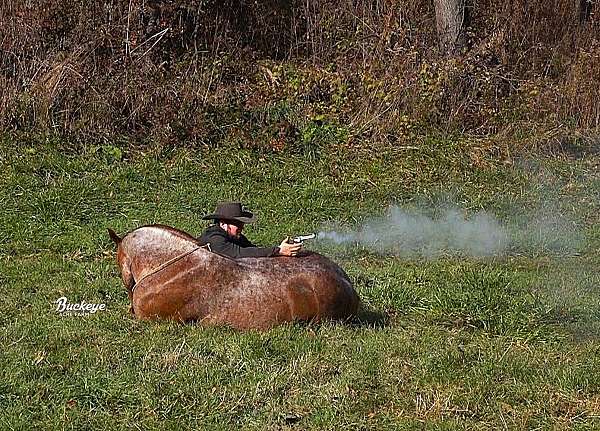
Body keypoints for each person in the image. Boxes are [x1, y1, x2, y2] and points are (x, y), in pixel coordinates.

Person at [197, 202, 303, 258]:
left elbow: (253, 249)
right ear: (223, 224)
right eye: (238, 224)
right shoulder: (215, 239)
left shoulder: (235, 237)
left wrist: (279, 249)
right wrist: (278, 251)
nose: (242, 228)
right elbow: (240, 253)